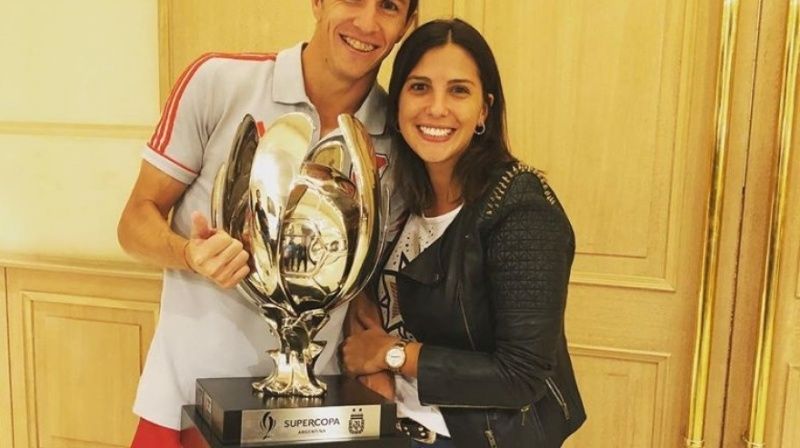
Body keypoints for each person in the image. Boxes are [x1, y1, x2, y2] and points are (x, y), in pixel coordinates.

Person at [117, 1, 418, 446]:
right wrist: (189, 254)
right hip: (187, 406)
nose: (367, 22)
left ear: (407, 24)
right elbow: (134, 220)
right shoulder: (218, 80)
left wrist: (377, 364)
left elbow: (365, 284)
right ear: (318, 3)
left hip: (314, 418)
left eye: (389, 6)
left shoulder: (401, 135)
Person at [341, 19, 586, 447]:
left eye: (458, 90)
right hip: (393, 429)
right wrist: (374, 365)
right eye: (419, 87)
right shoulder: (399, 194)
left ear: (484, 110)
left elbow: (521, 374)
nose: (437, 108)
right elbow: (375, 308)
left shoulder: (521, 206)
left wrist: (392, 355)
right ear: (397, 103)